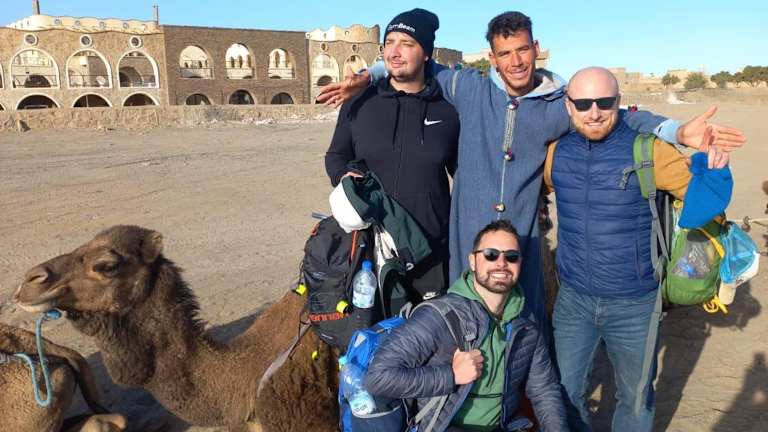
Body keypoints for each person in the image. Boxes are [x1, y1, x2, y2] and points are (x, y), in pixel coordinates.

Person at [319, 10, 747, 332]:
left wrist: (675, 130)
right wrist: (368, 74)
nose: (516, 61)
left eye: (522, 50)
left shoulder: (558, 104)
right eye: (505, 53)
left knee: (526, 330)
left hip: (522, 241)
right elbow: (413, 61)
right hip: (465, 241)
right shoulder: (467, 88)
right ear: (492, 58)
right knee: (464, 328)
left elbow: (612, 114)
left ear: (536, 48)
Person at [543, 66, 731, 431]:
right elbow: (527, 193)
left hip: (636, 303)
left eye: (604, 102)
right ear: (568, 106)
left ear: (618, 102)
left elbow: (706, 207)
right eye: (583, 103)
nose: (594, 112)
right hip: (573, 300)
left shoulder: (650, 151)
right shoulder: (556, 154)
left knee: (635, 397)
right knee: (565, 392)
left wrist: (712, 170)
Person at [365, 219, 568, 432]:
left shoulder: (525, 329)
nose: (501, 263)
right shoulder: (439, 317)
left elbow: (545, 391)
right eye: (491, 254)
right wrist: (451, 375)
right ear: (472, 261)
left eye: (511, 256)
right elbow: (378, 377)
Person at [325, 8, 460, 308]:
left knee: (430, 334)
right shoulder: (359, 102)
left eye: (407, 44)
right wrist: (343, 176)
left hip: (431, 250)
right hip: (368, 248)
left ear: (427, 54)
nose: (394, 52)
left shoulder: (448, 110)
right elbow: (336, 155)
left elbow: (463, 173)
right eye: (389, 42)